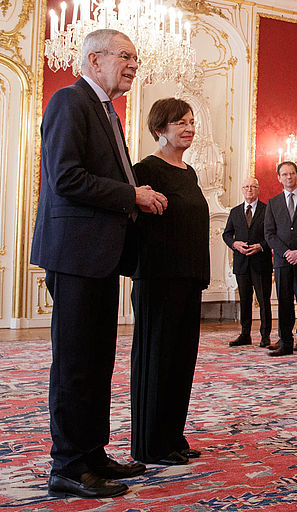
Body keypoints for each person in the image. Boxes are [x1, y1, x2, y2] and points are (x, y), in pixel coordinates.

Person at [31, 28, 166, 498]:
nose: (133, 65)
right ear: (93, 59)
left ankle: (92, 453)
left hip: (101, 254)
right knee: (75, 364)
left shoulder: (106, 111)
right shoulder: (69, 103)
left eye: (135, 57)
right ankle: (67, 465)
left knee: (97, 360)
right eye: (125, 56)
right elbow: (67, 178)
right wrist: (132, 194)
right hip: (76, 252)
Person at [130, 97, 210, 466]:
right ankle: (151, 443)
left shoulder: (189, 172)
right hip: (159, 279)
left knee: (181, 361)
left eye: (191, 121)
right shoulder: (145, 169)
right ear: (160, 128)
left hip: (188, 279)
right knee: (158, 359)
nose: (188, 127)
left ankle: (173, 437)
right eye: (180, 122)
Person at [265, 161, 297, 357]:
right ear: (279, 178)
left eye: (292, 173)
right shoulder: (273, 202)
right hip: (282, 261)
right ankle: (285, 343)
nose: (288, 177)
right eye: (284, 174)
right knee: (284, 302)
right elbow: (269, 234)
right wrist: (287, 252)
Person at [223, 177, 273, 347]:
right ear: (242, 190)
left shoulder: (268, 210)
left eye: (253, 187)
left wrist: (261, 246)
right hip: (242, 262)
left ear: (258, 189)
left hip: (261, 262)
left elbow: (272, 235)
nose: (249, 190)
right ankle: (245, 334)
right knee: (245, 300)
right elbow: (226, 234)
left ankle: (265, 336)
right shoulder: (235, 211)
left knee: (264, 300)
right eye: (246, 187)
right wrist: (234, 244)